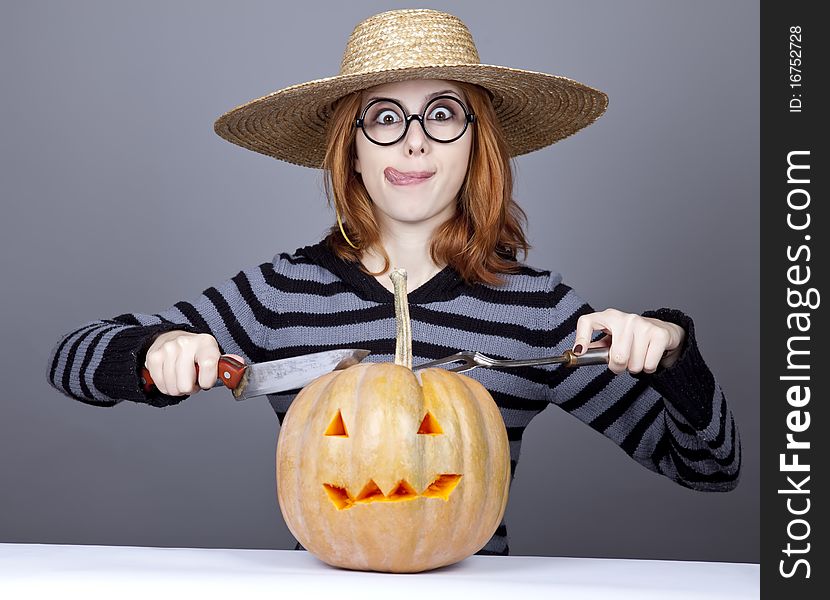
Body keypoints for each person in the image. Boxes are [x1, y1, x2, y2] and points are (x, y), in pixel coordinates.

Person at [45, 8, 741, 556]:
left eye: (442, 114)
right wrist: (153, 353)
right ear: (350, 147)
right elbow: (71, 359)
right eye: (385, 118)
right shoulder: (282, 293)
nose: (414, 142)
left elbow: (710, 468)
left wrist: (671, 350)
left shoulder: (536, 311)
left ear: (477, 142)